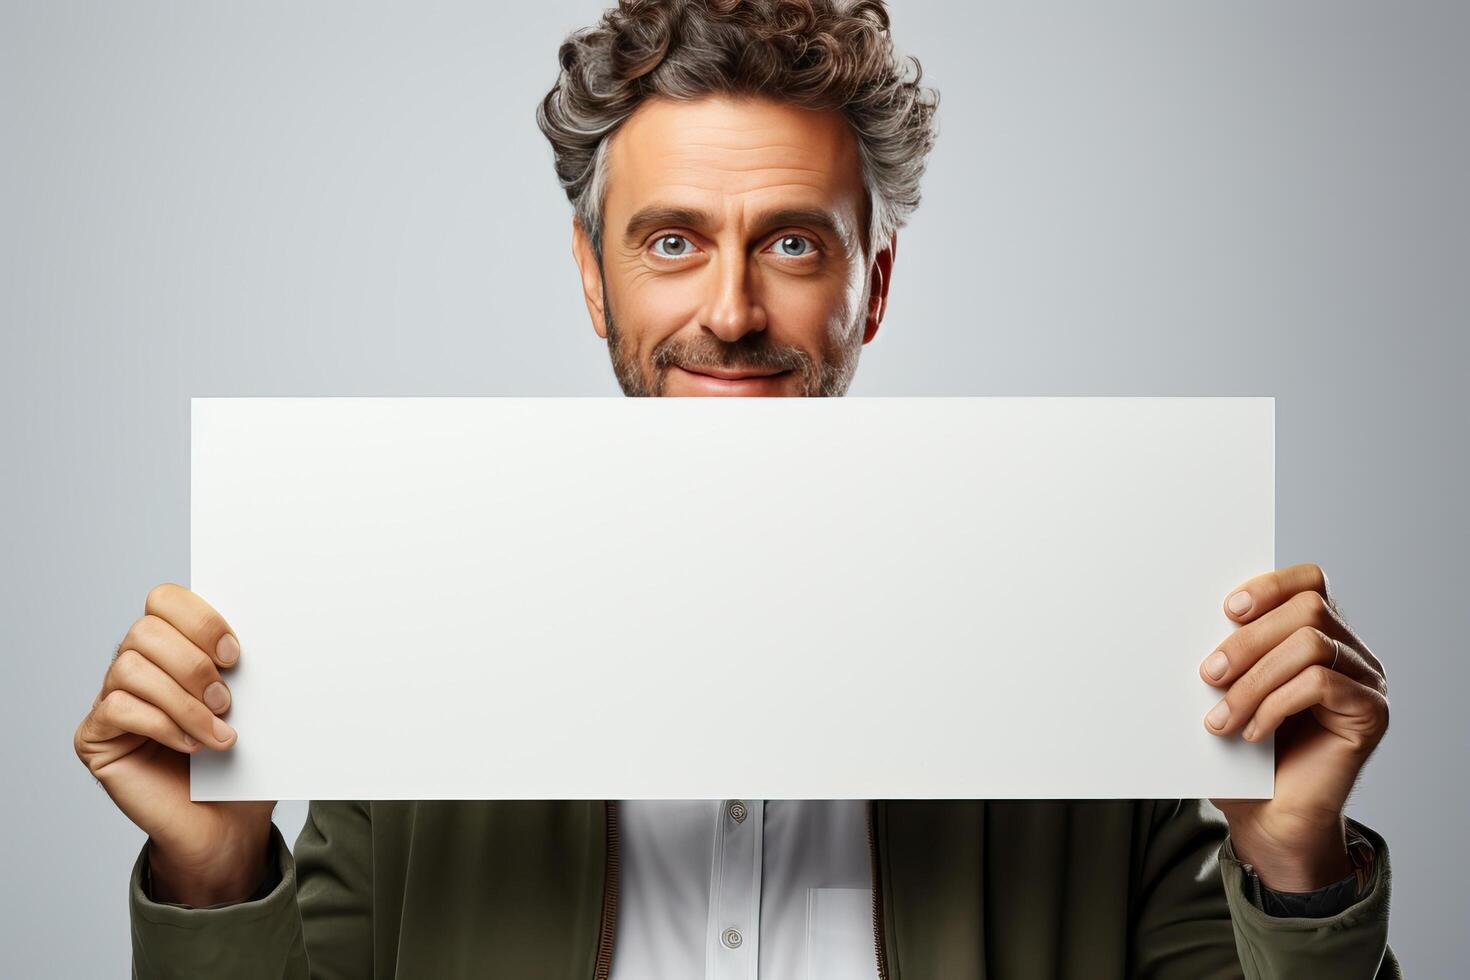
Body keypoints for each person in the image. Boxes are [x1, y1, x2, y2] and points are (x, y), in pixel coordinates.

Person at [75, 2, 1398, 977]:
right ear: (593, 279)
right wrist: (215, 868)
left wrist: (1294, 867)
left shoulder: (1090, 702)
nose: (729, 309)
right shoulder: (413, 710)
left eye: (790, 243)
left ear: (870, 288)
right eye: (669, 242)